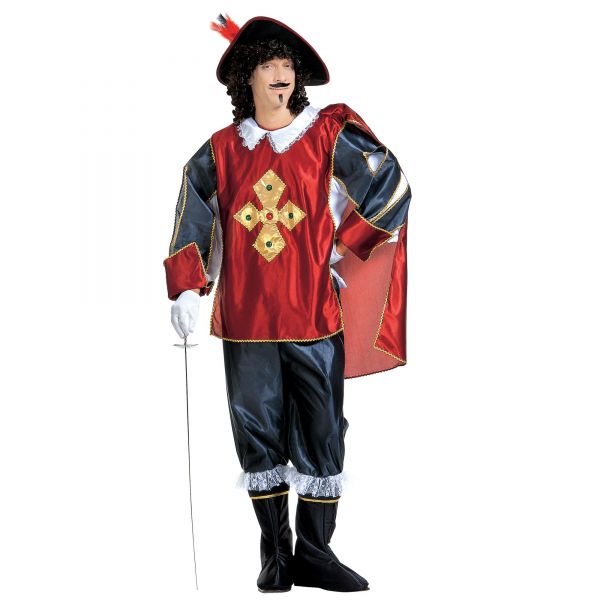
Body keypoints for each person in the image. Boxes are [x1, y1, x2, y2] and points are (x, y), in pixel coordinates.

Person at [164, 14, 412, 593]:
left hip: (313, 317)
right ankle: (276, 555)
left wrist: (344, 246)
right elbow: (193, 213)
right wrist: (187, 287)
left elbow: (391, 186)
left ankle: (316, 554)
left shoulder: (327, 136)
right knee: (257, 433)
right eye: (268, 65)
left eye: (287, 66)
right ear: (245, 79)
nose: (281, 75)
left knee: (322, 430)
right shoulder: (221, 151)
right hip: (246, 323)